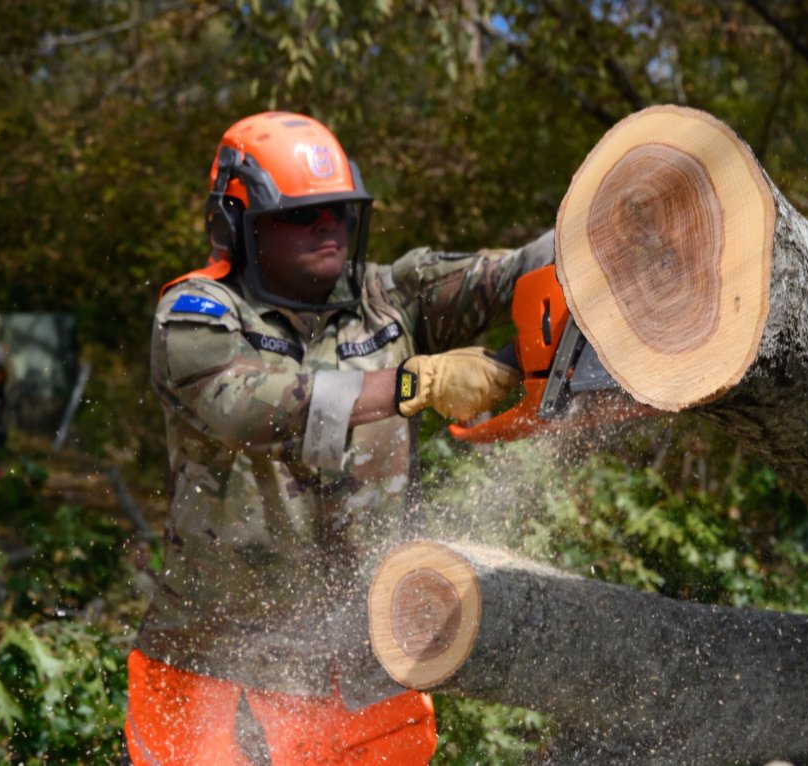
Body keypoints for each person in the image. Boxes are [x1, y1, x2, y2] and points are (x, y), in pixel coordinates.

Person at [123, 111, 554, 765]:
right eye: (302, 215)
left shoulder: (387, 295)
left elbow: (511, 271)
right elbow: (248, 405)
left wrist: (603, 236)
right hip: (224, 667)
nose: (327, 228)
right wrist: (413, 385)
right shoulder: (196, 317)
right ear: (240, 223)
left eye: (339, 213)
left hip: (368, 663)